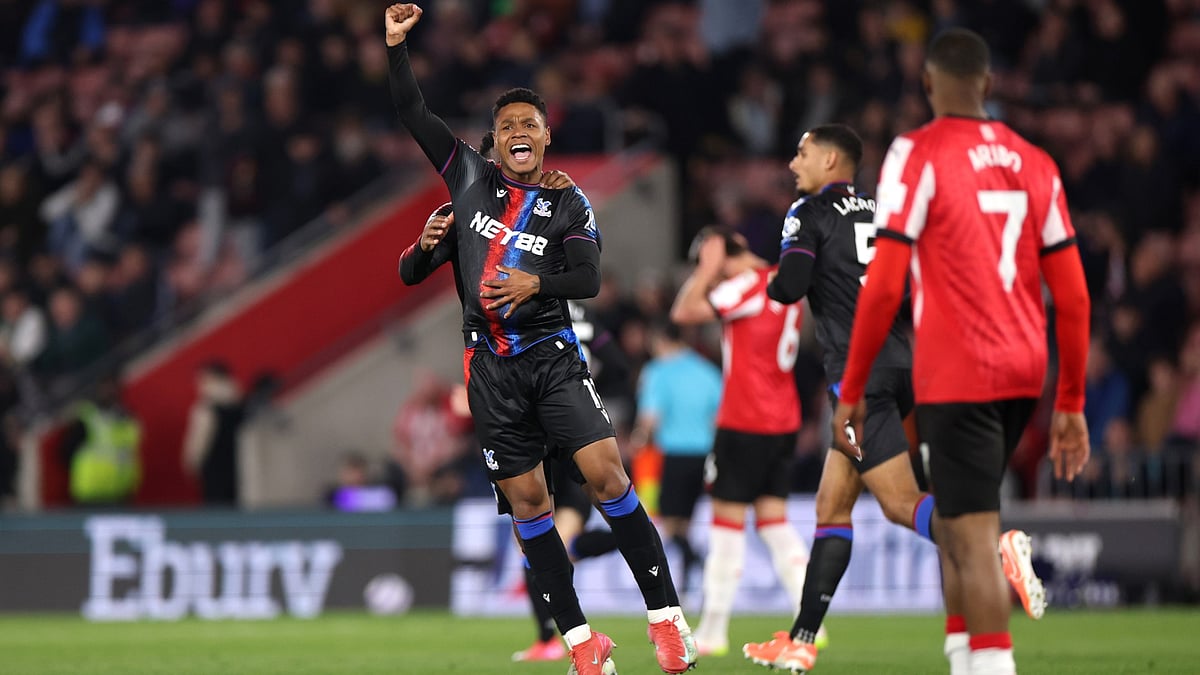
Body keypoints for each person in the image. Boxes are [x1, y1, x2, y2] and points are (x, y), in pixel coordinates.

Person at [385, 5, 695, 674]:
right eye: (507, 126)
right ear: (494, 141)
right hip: (489, 369)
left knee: (609, 476)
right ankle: (582, 643)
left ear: (547, 136)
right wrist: (396, 47)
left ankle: (667, 621)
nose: (518, 132)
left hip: (551, 355)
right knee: (530, 506)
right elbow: (413, 111)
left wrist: (536, 283)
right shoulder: (467, 181)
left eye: (529, 123)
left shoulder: (567, 202)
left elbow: (588, 277)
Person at [743, 122, 1055, 674]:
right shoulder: (885, 209)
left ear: (831, 160)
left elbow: (789, 286)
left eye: (802, 153)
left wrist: (767, 278)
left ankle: (995, 545)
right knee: (832, 506)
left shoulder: (808, 212)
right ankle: (801, 640)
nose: (793, 164)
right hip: (906, 364)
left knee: (897, 503)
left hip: (858, 380)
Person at [830, 30, 1089, 675]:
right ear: (989, 85)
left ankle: (993, 663)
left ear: (926, 84)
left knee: (971, 537)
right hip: (1025, 371)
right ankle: (959, 654)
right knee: (951, 510)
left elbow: (884, 284)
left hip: (959, 370)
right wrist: (1071, 401)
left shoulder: (916, 153)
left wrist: (853, 387)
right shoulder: (1035, 161)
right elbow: (1074, 295)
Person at [668, 227, 815, 656]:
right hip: (783, 420)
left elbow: (684, 311)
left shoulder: (747, 285)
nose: (711, 278)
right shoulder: (783, 281)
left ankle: (714, 630)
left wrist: (707, 269)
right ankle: (810, 620)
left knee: (726, 527)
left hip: (745, 420)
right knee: (773, 521)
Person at [630, 320, 723, 603]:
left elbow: (650, 418)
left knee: (669, 526)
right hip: (704, 456)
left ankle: (696, 562)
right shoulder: (708, 371)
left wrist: (637, 443)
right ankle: (684, 587)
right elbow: (718, 418)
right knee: (686, 524)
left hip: (672, 455)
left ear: (660, 341)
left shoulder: (657, 371)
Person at [60, 374, 141, 505]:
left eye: (113, 387)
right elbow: (66, 451)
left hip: (121, 493)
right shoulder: (88, 417)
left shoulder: (127, 419)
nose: (110, 392)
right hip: (90, 494)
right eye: (105, 387)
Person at [182, 360, 245, 505]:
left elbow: (199, 442)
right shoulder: (240, 402)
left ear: (214, 378)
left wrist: (191, 463)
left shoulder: (206, 408)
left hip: (213, 470)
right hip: (240, 469)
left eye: (203, 378)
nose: (198, 383)